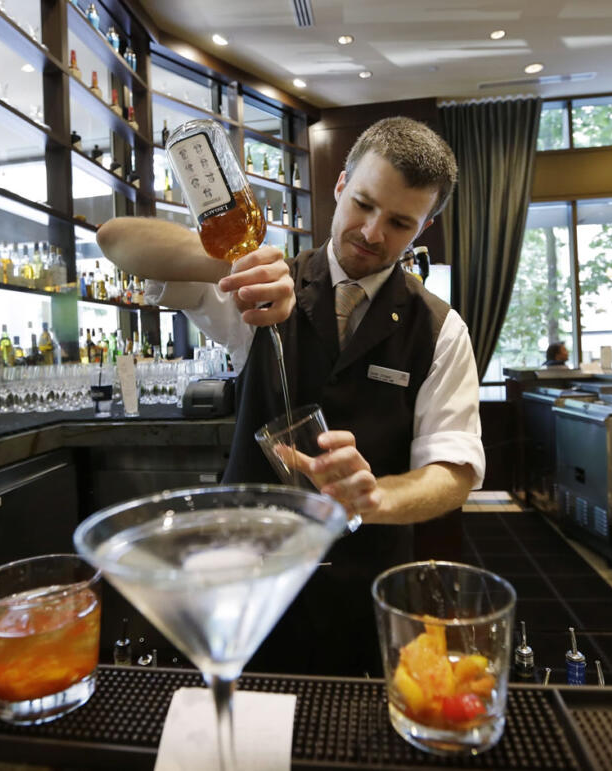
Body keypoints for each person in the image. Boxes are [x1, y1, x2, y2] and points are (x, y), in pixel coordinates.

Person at [96, 117, 484, 676]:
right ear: (340, 184)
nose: (373, 233)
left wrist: (374, 499)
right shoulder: (262, 284)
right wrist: (234, 262)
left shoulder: (440, 330)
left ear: (422, 228)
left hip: (364, 586)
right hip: (245, 577)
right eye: (364, 204)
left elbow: (454, 471)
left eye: (400, 222)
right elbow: (117, 241)